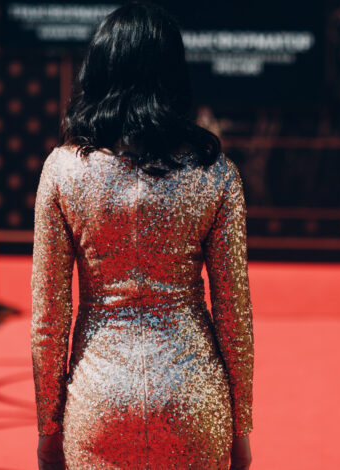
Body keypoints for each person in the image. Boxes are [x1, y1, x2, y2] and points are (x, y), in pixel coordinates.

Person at [30, 3, 254, 469]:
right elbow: (235, 317)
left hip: (99, 393)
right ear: (174, 76)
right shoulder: (214, 175)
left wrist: (48, 429)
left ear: (99, 69)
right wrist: (242, 425)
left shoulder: (63, 172)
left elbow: (49, 320)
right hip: (193, 393)